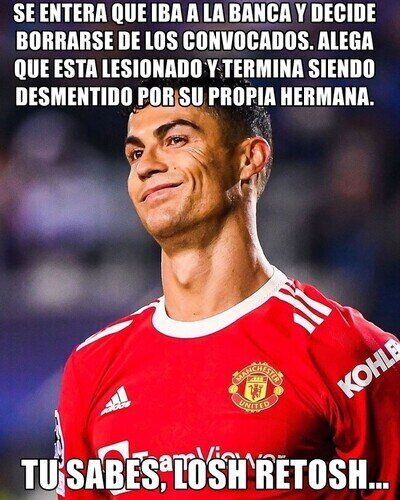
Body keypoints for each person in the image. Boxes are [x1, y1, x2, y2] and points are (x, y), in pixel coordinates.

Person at [55, 70, 400, 499]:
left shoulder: (348, 354)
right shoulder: (91, 368)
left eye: (176, 139)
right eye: (135, 153)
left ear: (248, 158)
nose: (146, 165)